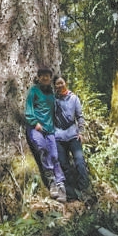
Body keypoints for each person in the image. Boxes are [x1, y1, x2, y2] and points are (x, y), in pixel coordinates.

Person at [25, 66, 66, 203]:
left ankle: (61, 186)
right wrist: (35, 122)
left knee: (54, 155)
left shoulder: (51, 94)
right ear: (38, 77)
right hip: (36, 128)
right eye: (42, 75)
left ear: (50, 78)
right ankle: (52, 182)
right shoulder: (34, 90)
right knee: (43, 149)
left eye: (47, 76)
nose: (45, 78)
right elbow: (29, 109)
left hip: (50, 130)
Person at [54, 75, 90, 201]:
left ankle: (85, 191)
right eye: (57, 84)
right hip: (58, 136)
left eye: (61, 83)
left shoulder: (74, 98)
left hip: (73, 135)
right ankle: (72, 193)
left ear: (66, 83)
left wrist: (81, 132)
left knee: (79, 162)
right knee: (64, 165)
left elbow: (80, 116)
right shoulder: (54, 100)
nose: (59, 85)